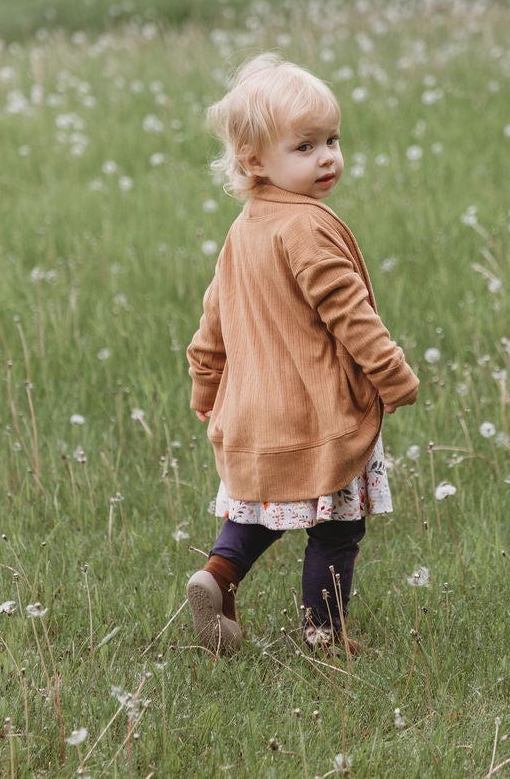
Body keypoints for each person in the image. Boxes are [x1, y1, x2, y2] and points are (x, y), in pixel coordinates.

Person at [185, 53, 419, 655]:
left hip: (254, 411)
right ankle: (324, 636)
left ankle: (218, 575)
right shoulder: (307, 228)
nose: (327, 158)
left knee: (262, 510)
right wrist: (391, 374)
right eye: (305, 146)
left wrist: (205, 385)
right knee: (337, 527)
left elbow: (213, 318)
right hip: (315, 413)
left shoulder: (246, 228)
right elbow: (349, 313)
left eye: (332, 140)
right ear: (254, 160)